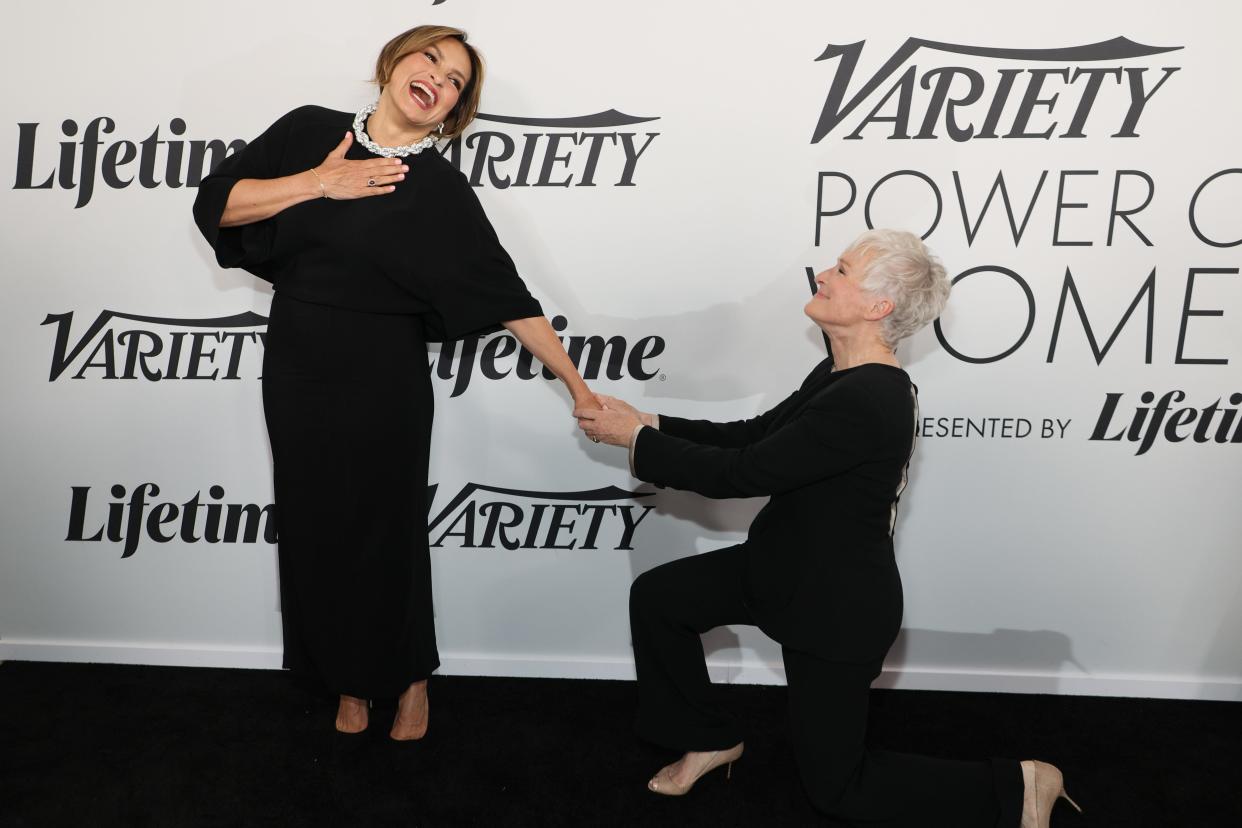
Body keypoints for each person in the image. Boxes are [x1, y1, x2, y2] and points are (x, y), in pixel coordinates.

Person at [575, 230, 1082, 827]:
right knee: (661, 599)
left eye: (842, 271)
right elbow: (754, 434)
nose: (822, 275)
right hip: (777, 569)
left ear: (878, 306)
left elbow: (742, 472)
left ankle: (1018, 784)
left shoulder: (870, 397)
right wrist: (649, 420)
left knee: (839, 790)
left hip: (835, 609)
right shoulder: (841, 374)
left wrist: (635, 441)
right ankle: (707, 736)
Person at [193, 25, 597, 738]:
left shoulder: (439, 187)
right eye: (429, 59)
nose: (437, 78)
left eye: (454, 81)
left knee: (387, 531)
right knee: (316, 525)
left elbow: (506, 295)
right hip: (298, 363)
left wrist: (577, 386)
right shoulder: (309, 130)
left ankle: (409, 678)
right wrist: (323, 181)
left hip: (385, 375)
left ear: (451, 112)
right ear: (394, 62)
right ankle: (347, 680)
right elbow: (219, 205)